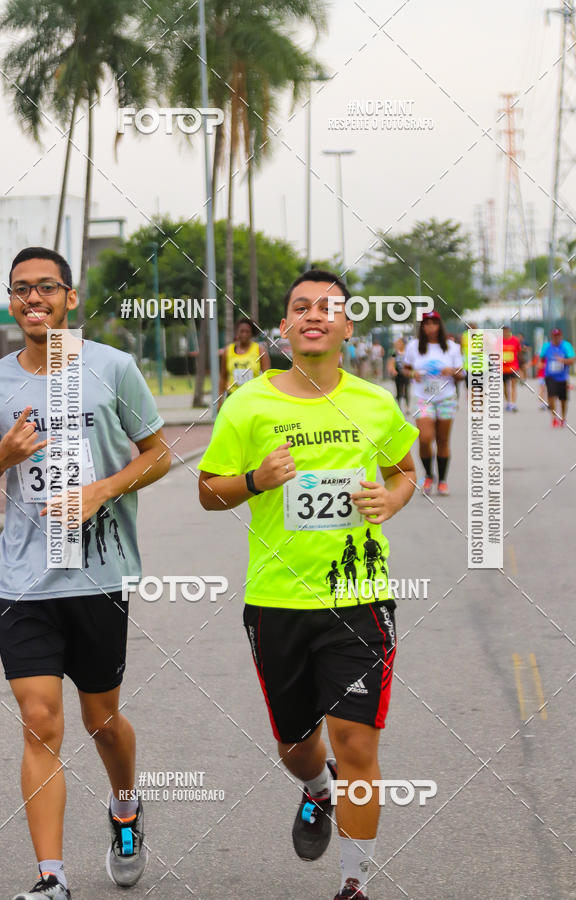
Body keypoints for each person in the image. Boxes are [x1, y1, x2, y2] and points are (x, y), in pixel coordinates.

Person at [198, 268, 418, 900]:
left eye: (329, 308)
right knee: (297, 745)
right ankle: (315, 786)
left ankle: (354, 884)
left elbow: (406, 470)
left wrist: (391, 499)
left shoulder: (375, 401)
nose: (314, 315)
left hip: (360, 598)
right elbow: (210, 491)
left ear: (348, 327)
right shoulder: (249, 403)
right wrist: (258, 481)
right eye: (301, 307)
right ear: (286, 325)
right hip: (277, 602)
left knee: (356, 741)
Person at [0, 247, 171, 900]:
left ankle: (124, 808)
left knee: (101, 719)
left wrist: (101, 490)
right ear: (12, 302)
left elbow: (159, 454)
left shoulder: (111, 368)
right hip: (23, 582)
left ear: (70, 297)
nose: (35, 298)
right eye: (23, 289)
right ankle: (51, 879)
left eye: (48, 287)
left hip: (97, 576)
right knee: (40, 720)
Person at [403, 311, 464, 496]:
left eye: (434, 323)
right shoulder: (414, 346)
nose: (431, 327)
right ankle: (429, 475)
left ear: (440, 325)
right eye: (427, 324)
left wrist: (452, 371)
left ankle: (443, 481)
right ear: (422, 327)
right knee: (425, 438)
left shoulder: (451, 347)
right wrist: (414, 374)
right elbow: (405, 369)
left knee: (443, 440)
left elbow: (462, 373)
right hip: (422, 398)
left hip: (446, 398)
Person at [219, 316, 270, 406]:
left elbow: (267, 378)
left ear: (252, 334)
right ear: (237, 333)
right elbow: (223, 377)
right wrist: (220, 401)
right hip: (233, 398)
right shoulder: (228, 351)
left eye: (247, 332)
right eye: (241, 331)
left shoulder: (260, 350)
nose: (244, 334)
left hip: (253, 398)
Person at [540, 327, 575, 427]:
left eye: (558, 336)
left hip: (562, 377)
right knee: (551, 396)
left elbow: (572, 360)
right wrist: (540, 364)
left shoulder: (566, 346)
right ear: (552, 337)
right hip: (550, 376)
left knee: (563, 400)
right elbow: (541, 358)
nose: (556, 338)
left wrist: (563, 360)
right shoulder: (546, 346)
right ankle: (554, 417)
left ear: (561, 336)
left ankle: (563, 417)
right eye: (554, 336)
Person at [386, 336, 410, 413]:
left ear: (403, 344)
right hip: (398, 374)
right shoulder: (395, 353)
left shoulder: (407, 353)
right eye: (397, 343)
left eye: (399, 343)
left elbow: (411, 364)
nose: (398, 344)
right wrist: (392, 370)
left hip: (406, 374)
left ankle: (407, 407)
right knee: (398, 391)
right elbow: (391, 363)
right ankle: (399, 406)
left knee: (406, 390)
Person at [502, 324, 522, 412]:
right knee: (505, 386)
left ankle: (513, 404)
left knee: (514, 385)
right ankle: (508, 402)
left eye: (507, 331)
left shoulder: (515, 340)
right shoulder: (499, 341)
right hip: (502, 368)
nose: (506, 333)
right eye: (504, 331)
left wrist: (520, 366)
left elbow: (519, 352)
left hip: (513, 367)